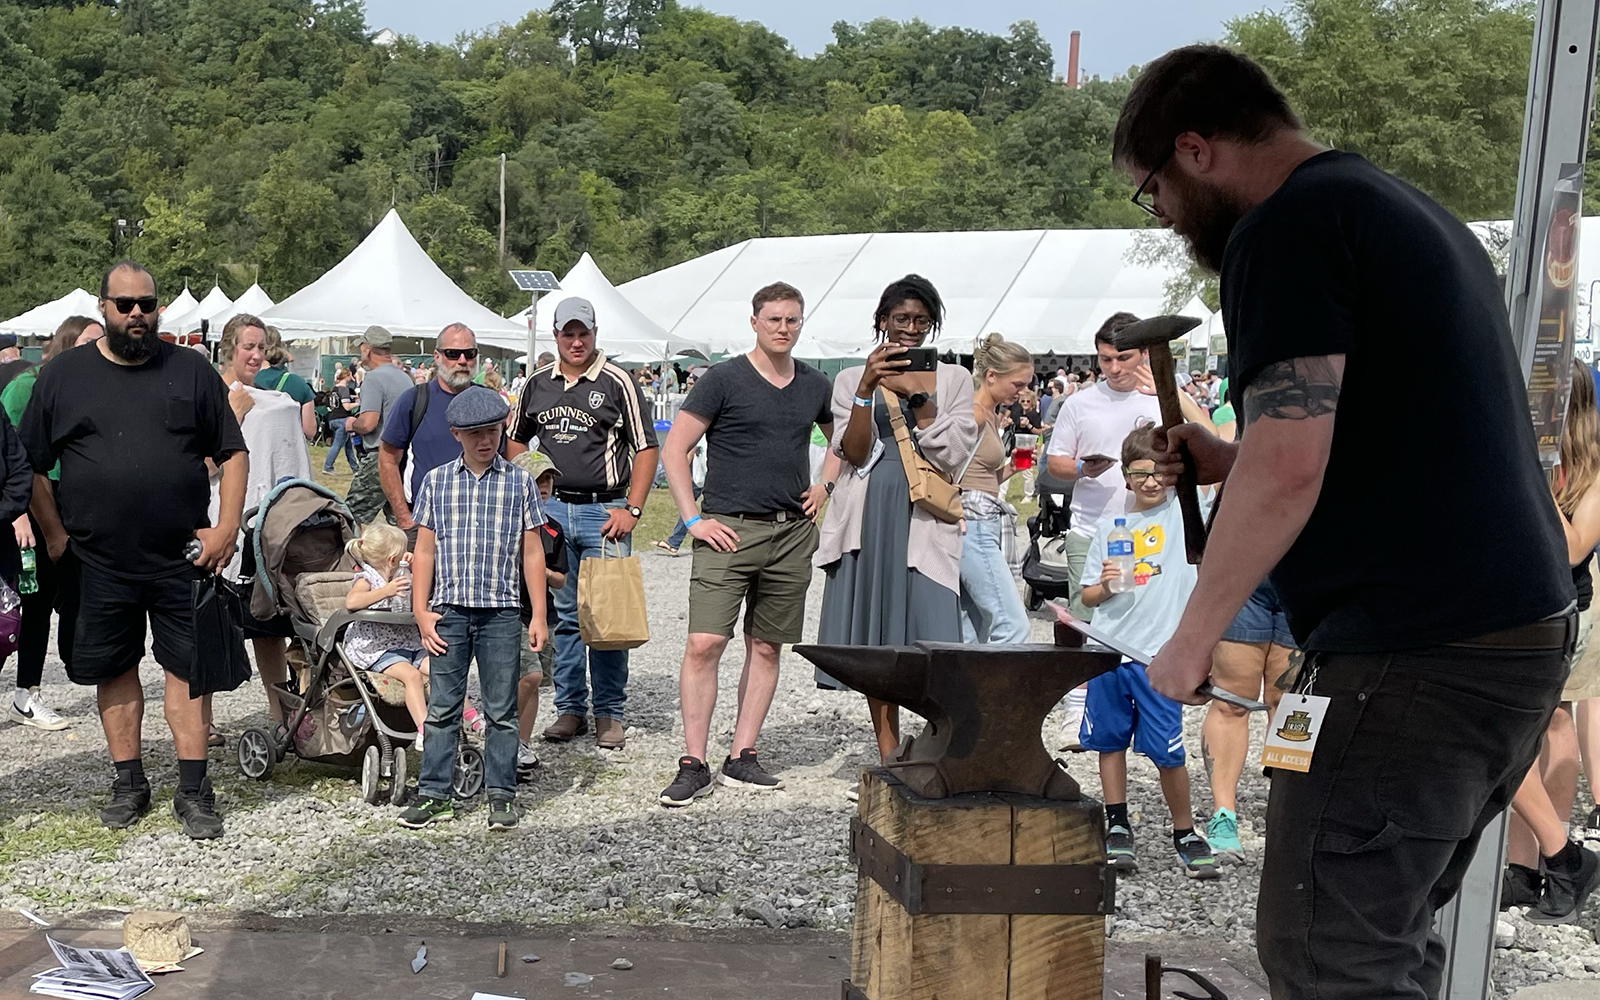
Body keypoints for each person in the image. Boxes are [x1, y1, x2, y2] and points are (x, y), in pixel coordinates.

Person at [1121, 46, 1574, 999]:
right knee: (1383, 937)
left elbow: (1292, 468)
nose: (1159, 214)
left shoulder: (1287, 228)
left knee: (1332, 950)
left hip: (1419, 648)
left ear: (1194, 150)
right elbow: (1384, 450)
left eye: (1150, 190)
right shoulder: (1405, 212)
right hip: (1499, 632)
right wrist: (1228, 462)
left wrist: (1188, 641)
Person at [23, 261, 248, 840]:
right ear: (104, 307)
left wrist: (225, 530)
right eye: (124, 305)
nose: (136, 315)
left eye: (146, 304)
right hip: (99, 562)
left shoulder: (191, 371)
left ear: (158, 307)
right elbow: (30, 466)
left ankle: (195, 791)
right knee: (114, 671)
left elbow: (233, 451)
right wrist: (54, 535)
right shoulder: (64, 376)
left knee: (188, 673)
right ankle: (129, 783)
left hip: (184, 557)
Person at [658, 282, 834, 806]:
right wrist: (691, 520)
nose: (784, 327)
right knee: (705, 643)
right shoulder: (723, 379)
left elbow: (844, 439)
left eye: (793, 320)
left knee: (765, 644)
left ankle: (743, 754)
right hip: (727, 527)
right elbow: (675, 449)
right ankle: (694, 761)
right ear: (754, 321)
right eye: (775, 319)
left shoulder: (813, 384)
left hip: (790, 531)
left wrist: (825, 482)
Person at [814, 274, 978, 763]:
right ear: (882, 321)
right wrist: (867, 387)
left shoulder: (955, 379)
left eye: (921, 320)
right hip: (868, 513)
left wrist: (919, 400)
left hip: (925, 513)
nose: (910, 329)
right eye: (901, 318)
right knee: (877, 638)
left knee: (933, 633)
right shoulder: (848, 379)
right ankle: (888, 749)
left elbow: (953, 456)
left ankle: (934, 744)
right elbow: (854, 451)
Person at [1068, 423, 1219, 879]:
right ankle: (1117, 822)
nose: (1150, 482)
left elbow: (1209, 456)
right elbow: (1087, 598)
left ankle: (1185, 831)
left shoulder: (1184, 514)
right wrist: (1106, 585)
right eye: (1140, 474)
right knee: (1109, 741)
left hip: (1160, 656)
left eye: (1158, 473)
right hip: (1112, 649)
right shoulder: (1111, 528)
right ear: (1126, 477)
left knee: (1168, 751)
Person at [507, 297, 658, 751]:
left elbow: (646, 448)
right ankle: (571, 707)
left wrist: (631, 509)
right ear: (555, 336)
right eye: (568, 334)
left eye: (583, 333)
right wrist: (533, 481)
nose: (576, 342)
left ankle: (609, 712)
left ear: (594, 333)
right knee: (566, 616)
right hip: (553, 510)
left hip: (604, 509)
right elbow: (514, 439)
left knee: (608, 614)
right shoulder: (537, 383)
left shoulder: (617, 382)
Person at [398, 386, 547, 832]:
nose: (486, 440)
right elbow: (424, 550)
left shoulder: (519, 482)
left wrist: (537, 613)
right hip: (450, 612)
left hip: (501, 611)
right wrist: (421, 610)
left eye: (494, 431)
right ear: (456, 434)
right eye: (475, 433)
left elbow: (532, 552)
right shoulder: (437, 482)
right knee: (443, 706)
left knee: (501, 708)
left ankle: (501, 794)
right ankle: (433, 794)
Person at [1503, 359, 1600, 922]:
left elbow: (1570, 548)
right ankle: (1531, 868)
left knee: (1541, 730)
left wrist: (1533, 476)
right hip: (1516, 607)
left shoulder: (1588, 472)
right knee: (1523, 732)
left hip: (1566, 610)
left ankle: (1557, 858)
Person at [2, 315, 102, 731]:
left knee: (70, 600)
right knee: (30, 603)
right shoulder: (28, 385)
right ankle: (28, 693)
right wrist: (21, 513)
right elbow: (14, 455)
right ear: (66, 342)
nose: (98, 348)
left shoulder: (98, 387)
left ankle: (48, 684)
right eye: (90, 341)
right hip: (39, 502)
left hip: (82, 505)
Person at [213, 314, 312, 727]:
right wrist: (232, 416)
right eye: (247, 347)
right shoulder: (212, 395)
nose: (255, 355)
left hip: (264, 525)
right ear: (228, 349)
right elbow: (194, 465)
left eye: (260, 347)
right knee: (209, 630)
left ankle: (281, 717)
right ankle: (202, 723)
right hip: (216, 526)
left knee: (269, 624)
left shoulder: (271, 397)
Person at [1201, 580, 1296, 860]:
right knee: (1232, 701)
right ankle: (1223, 816)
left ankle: (1287, 817)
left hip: (1311, 567)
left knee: (1290, 704)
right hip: (1246, 570)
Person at [379, 324, 481, 549]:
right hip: (424, 525)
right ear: (437, 356)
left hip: (478, 526)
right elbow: (387, 459)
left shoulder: (488, 403)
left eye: (470, 354)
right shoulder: (414, 400)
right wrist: (405, 519)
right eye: (453, 354)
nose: (462, 361)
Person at [959, 333, 1032, 644]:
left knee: (972, 628)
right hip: (972, 523)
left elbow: (978, 474)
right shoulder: (974, 414)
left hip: (980, 517)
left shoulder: (988, 414)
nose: (1023, 391)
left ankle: (968, 691)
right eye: (1017, 384)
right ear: (991, 376)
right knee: (1013, 626)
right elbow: (945, 467)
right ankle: (1001, 691)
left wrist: (1012, 468)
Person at [343, 522, 429, 747]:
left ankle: (467, 716)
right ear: (392, 559)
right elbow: (352, 602)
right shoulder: (367, 578)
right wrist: (385, 591)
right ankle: (424, 730)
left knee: (444, 668)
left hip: (406, 641)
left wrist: (410, 568)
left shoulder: (399, 574)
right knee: (412, 676)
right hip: (378, 647)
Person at [509, 450, 568, 777]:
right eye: (536, 480)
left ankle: (521, 742)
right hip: (510, 611)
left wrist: (539, 570)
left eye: (547, 480)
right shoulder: (503, 520)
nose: (543, 486)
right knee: (528, 676)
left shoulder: (554, 529)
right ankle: (502, 733)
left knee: (534, 683)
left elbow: (561, 579)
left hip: (541, 614)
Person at [344, 327, 416, 524]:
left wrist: (352, 424)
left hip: (379, 457)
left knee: (350, 519)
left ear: (368, 349)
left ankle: (349, 555)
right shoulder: (405, 378)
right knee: (400, 521)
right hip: (402, 458)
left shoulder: (374, 378)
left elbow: (368, 423)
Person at [251, 331, 316, 441]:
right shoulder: (299, 383)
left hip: (254, 449)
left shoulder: (247, 381)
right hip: (286, 448)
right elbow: (310, 431)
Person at [655, 434, 705, 557]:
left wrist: (683, 466)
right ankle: (674, 542)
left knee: (688, 507)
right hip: (701, 474)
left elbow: (691, 451)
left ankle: (674, 542)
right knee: (688, 506)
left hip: (703, 475)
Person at [322, 368, 359, 474]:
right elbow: (347, 407)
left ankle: (355, 468)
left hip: (333, 419)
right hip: (342, 419)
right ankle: (327, 467)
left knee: (348, 446)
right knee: (337, 445)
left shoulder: (335, 389)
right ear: (347, 376)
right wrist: (359, 403)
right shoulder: (344, 389)